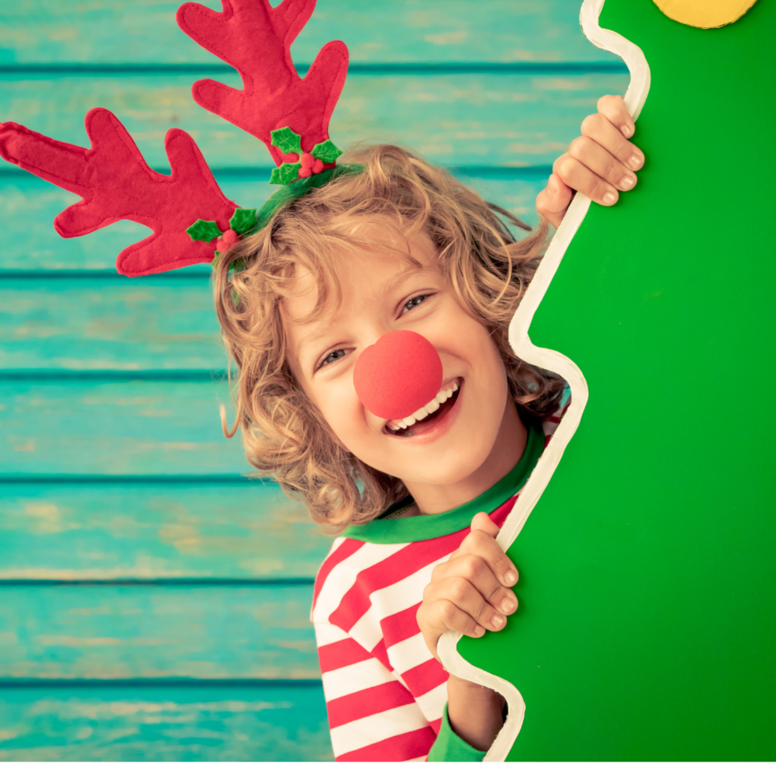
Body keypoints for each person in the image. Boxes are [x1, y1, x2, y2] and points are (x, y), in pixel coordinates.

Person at [210, 94, 643, 761]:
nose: (396, 368)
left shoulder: (607, 425)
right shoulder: (354, 595)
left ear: (480, 292)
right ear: (308, 410)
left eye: (413, 301)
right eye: (334, 353)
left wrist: (614, 223)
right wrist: (471, 686)